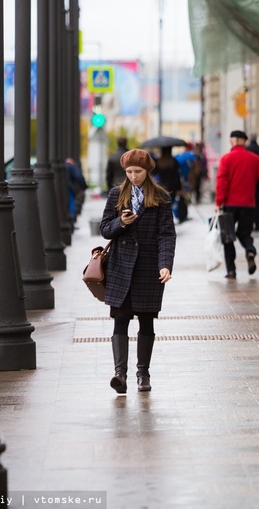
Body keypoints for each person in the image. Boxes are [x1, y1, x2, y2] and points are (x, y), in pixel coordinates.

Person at [100, 149, 176, 394]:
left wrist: (165, 264)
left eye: (138, 172)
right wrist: (121, 223)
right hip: (121, 267)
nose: (133, 176)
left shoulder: (161, 197)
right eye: (129, 172)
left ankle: (143, 374)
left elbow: (166, 234)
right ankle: (119, 374)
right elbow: (104, 229)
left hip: (148, 267)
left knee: (146, 321)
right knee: (120, 320)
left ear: (147, 171)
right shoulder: (116, 194)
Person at [215, 130, 259, 280]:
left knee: (228, 237)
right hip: (249, 205)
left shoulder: (226, 159)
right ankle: (250, 250)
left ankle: (231, 270)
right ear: (245, 141)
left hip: (229, 205)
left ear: (232, 141)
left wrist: (219, 202)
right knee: (245, 233)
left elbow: (222, 182)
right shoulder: (255, 159)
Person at [151, 146, 186, 223]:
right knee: (169, 206)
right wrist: (179, 188)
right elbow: (177, 176)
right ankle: (169, 221)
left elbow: (154, 173)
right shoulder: (173, 161)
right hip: (172, 187)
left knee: (162, 206)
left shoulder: (159, 162)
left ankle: (163, 222)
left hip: (161, 187)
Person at [246, 134, 259, 231]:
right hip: (258, 178)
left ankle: (249, 223)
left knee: (248, 202)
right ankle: (257, 223)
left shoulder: (246, 150)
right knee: (257, 201)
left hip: (247, 179)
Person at [65, 157, 88, 222]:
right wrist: (84, 186)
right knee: (71, 202)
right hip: (70, 187)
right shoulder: (72, 166)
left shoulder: (64, 166)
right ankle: (72, 219)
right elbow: (79, 176)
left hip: (63, 187)